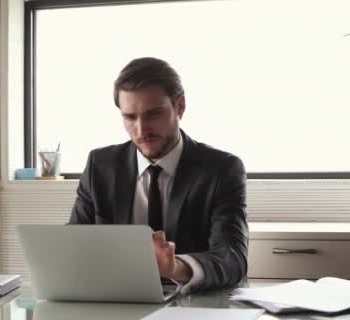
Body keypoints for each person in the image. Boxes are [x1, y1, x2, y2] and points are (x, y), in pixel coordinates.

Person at [69, 57, 248, 293]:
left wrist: (175, 267)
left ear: (180, 107)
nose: (142, 130)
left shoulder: (221, 170)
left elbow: (232, 258)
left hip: (193, 307)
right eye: (130, 117)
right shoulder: (100, 166)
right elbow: (73, 246)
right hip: (116, 304)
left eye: (153, 115)